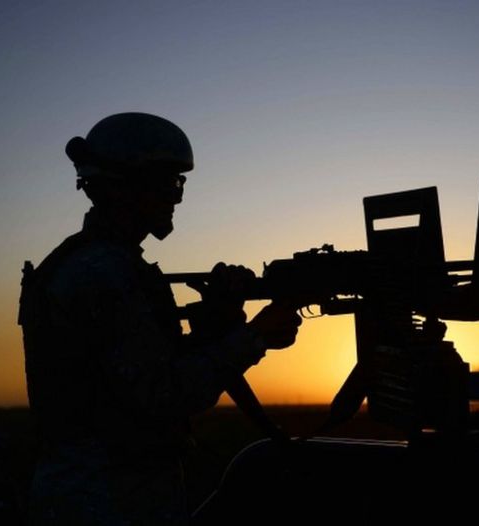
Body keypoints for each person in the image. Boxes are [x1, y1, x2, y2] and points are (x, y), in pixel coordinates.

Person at [18, 112, 302, 525]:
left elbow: (140, 368)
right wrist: (254, 336)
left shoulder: (101, 264)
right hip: (108, 499)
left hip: (100, 491)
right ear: (125, 187)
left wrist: (221, 320)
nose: (177, 197)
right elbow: (163, 395)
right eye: (168, 182)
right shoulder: (103, 273)